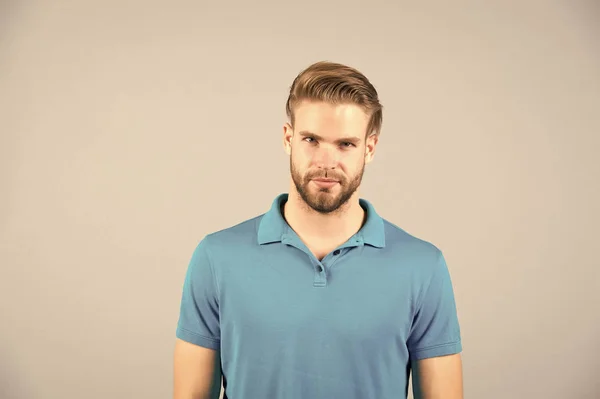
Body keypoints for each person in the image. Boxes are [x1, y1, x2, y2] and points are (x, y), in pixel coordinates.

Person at [173, 61, 463, 399]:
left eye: (345, 144)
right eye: (311, 139)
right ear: (288, 139)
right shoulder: (216, 258)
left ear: (369, 148)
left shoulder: (422, 266)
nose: (326, 161)